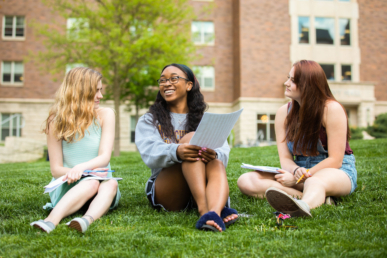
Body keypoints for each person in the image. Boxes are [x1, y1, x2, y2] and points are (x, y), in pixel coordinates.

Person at [237, 60, 357, 217]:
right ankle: (317, 197)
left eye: (293, 81)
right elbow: (285, 159)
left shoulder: (331, 109)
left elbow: (336, 160)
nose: (286, 83)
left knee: (313, 181)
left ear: (308, 85)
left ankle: (302, 206)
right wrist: (294, 172)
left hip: (335, 171)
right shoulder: (283, 113)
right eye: (288, 78)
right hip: (297, 170)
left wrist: (300, 179)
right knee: (246, 180)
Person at [135, 63, 238, 232]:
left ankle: (213, 212)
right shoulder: (149, 120)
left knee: (216, 160)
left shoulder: (205, 119)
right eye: (162, 80)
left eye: (174, 78)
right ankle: (207, 210)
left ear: (189, 85)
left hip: (201, 182)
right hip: (169, 189)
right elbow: (149, 154)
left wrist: (212, 154)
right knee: (191, 139)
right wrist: (177, 151)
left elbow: (224, 154)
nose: (167, 84)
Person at [31, 67, 121, 233]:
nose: (100, 96)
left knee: (111, 183)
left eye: (101, 90)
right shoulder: (55, 121)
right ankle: (50, 221)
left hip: (101, 188)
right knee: (90, 183)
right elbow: (56, 170)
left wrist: (81, 168)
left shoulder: (106, 114)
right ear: (79, 91)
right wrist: (76, 172)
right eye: (96, 91)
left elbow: (104, 157)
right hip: (69, 185)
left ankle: (85, 220)